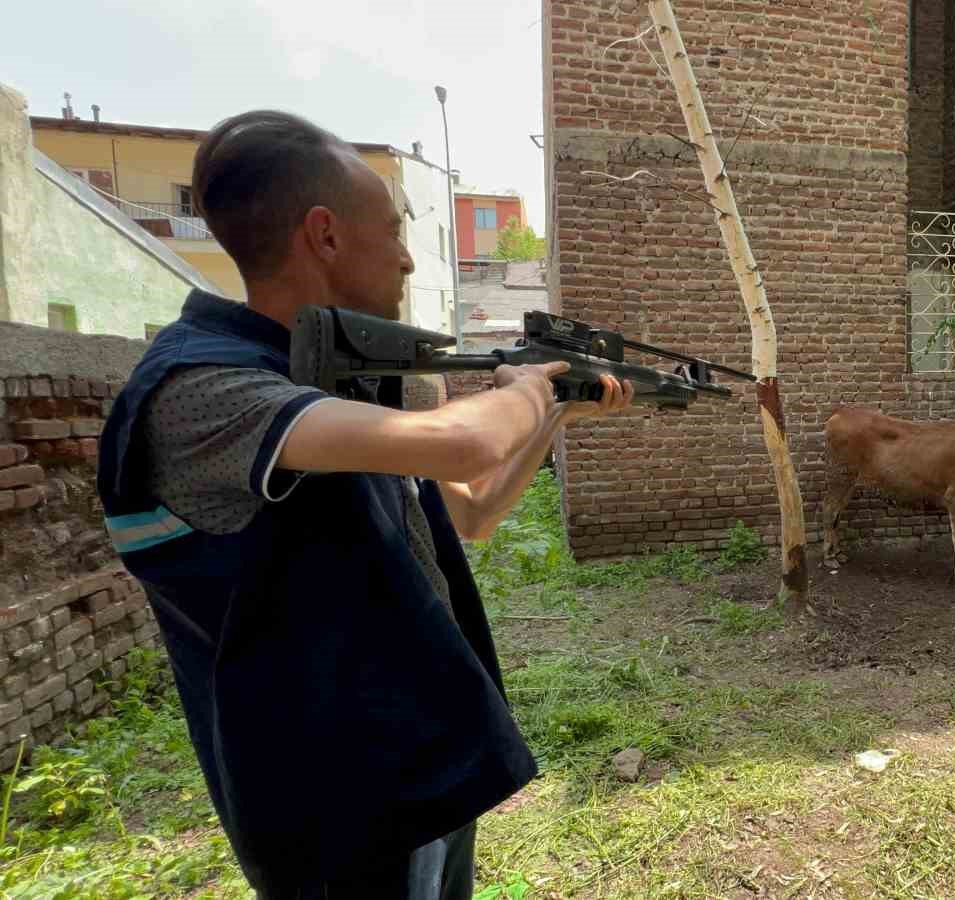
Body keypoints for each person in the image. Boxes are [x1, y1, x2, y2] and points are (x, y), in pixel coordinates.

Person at [95, 110, 633, 898]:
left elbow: (471, 512)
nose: (411, 256)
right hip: (330, 800)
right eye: (394, 229)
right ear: (326, 236)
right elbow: (464, 443)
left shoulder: (333, 379)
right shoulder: (202, 388)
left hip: (417, 757)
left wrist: (551, 412)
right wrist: (523, 385)